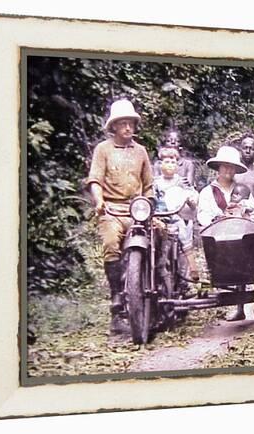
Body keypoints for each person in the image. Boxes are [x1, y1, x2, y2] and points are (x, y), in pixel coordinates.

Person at [86, 99, 154, 334]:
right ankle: (117, 300)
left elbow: (149, 186)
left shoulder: (141, 151)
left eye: (130, 123)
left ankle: (160, 288)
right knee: (111, 244)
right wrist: (99, 201)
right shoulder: (103, 150)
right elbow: (95, 179)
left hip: (137, 210)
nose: (127, 128)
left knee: (163, 234)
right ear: (113, 127)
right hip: (112, 210)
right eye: (122, 124)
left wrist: (148, 204)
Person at [197, 146, 254, 321]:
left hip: (242, 240)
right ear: (218, 168)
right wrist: (217, 220)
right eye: (224, 166)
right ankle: (239, 309)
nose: (228, 170)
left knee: (249, 253)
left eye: (232, 167)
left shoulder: (242, 190)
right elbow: (202, 215)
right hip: (219, 242)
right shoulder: (208, 192)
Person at [153, 147, 200, 281]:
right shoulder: (155, 182)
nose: (170, 165)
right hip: (159, 216)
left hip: (176, 215)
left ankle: (192, 267)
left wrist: (192, 200)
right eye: (167, 162)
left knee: (182, 229)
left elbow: (191, 193)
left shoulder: (181, 181)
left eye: (173, 162)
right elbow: (150, 197)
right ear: (160, 164)